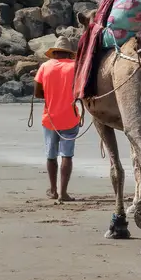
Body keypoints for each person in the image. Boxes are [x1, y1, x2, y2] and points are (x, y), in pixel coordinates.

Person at [34, 36, 80, 201]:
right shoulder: (76, 67)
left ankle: (53, 190)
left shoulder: (45, 66)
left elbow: (37, 93)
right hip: (70, 117)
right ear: (68, 54)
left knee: (51, 155)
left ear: (55, 53)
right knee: (67, 155)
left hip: (49, 117)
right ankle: (63, 193)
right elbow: (81, 91)